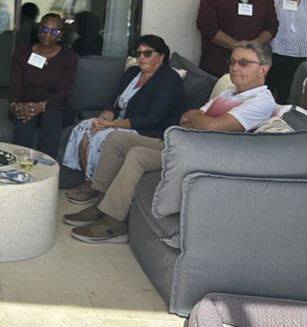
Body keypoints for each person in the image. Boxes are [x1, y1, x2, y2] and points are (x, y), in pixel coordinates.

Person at [63, 41, 277, 243]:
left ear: (263, 69)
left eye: (243, 62)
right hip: (181, 142)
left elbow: (211, 127)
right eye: (232, 61)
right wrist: (199, 119)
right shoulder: (229, 92)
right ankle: (101, 203)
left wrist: (200, 120)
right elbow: (186, 117)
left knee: (137, 155)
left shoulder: (261, 101)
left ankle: (114, 222)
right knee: (116, 138)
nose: (235, 67)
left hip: (202, 157)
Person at [62, 34, 186, 202]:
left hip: (148, 130)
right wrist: (102, 119)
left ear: (162, 56)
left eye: (147, 53)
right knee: (84, 128)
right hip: (120, 121)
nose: (141, 57)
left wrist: (110, 125)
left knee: (101, 136)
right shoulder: (132, 72)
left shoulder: (169, 79)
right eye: (138, 53)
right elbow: (113, 102)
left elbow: (152, 119)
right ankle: (89, 181)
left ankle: (95, 187)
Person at [8, 13, 78, 158]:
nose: (48, 35)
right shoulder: (21, 55)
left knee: (52, 115)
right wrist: (15, 106)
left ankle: (45, 168)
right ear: (39, 30)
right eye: (44, 29)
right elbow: (15, 86)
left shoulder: (69, 57)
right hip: (26, 103)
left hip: (56, 106)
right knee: (23, 114)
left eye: (54, 32)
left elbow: (63, 91)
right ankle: (19, 166)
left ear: (60, 35)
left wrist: (42, 106)